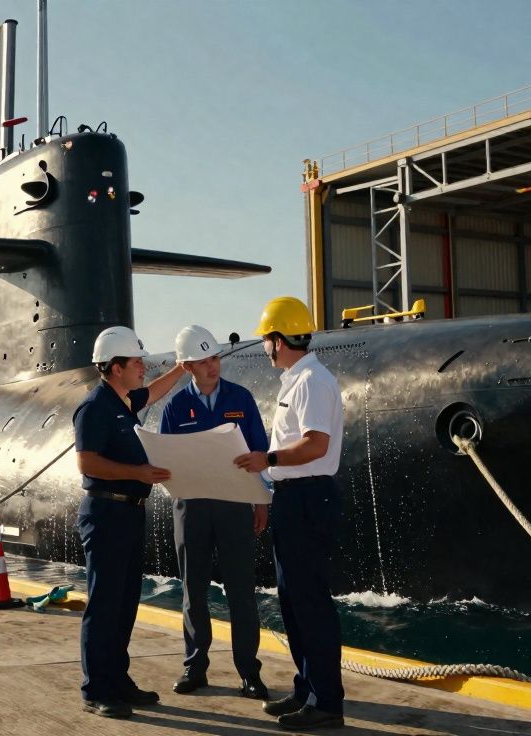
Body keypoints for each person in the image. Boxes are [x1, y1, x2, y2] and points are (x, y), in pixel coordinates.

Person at [234, 296, 346, 730]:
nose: (265, 347)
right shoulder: (297, 380)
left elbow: (316, 444)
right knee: (294, 600)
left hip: (307, 498)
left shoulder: (312, 382)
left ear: (278, 340)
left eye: (266, 339)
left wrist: (269, 459)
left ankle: (326, 702)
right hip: (293, 499)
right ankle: (307, 688)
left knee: (311, 603)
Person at [73, 325, 186, 719]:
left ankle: (118, 680)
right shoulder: (94, 407)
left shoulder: (123, 402)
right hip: (105, 513)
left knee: (124, 603)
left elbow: (154, 392)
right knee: (104, 604)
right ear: (115, 367)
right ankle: (96, 689)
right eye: (136, 361)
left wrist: (182, 367)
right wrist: (137, 473)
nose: (143, 366)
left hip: (129, 514)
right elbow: (86, 461)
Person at [159, 324, 270, 700]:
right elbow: (165, 456)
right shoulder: (175, 407)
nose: (213, 366)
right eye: (203, 361)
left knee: (241, 592)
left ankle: (249, 672)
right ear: (187, 367)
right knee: (193, 592)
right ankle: (195, 667)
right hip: (191, 509)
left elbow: (260, 454)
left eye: (215, 358)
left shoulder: (242, 398)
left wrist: (261, 502)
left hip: (235, 507)